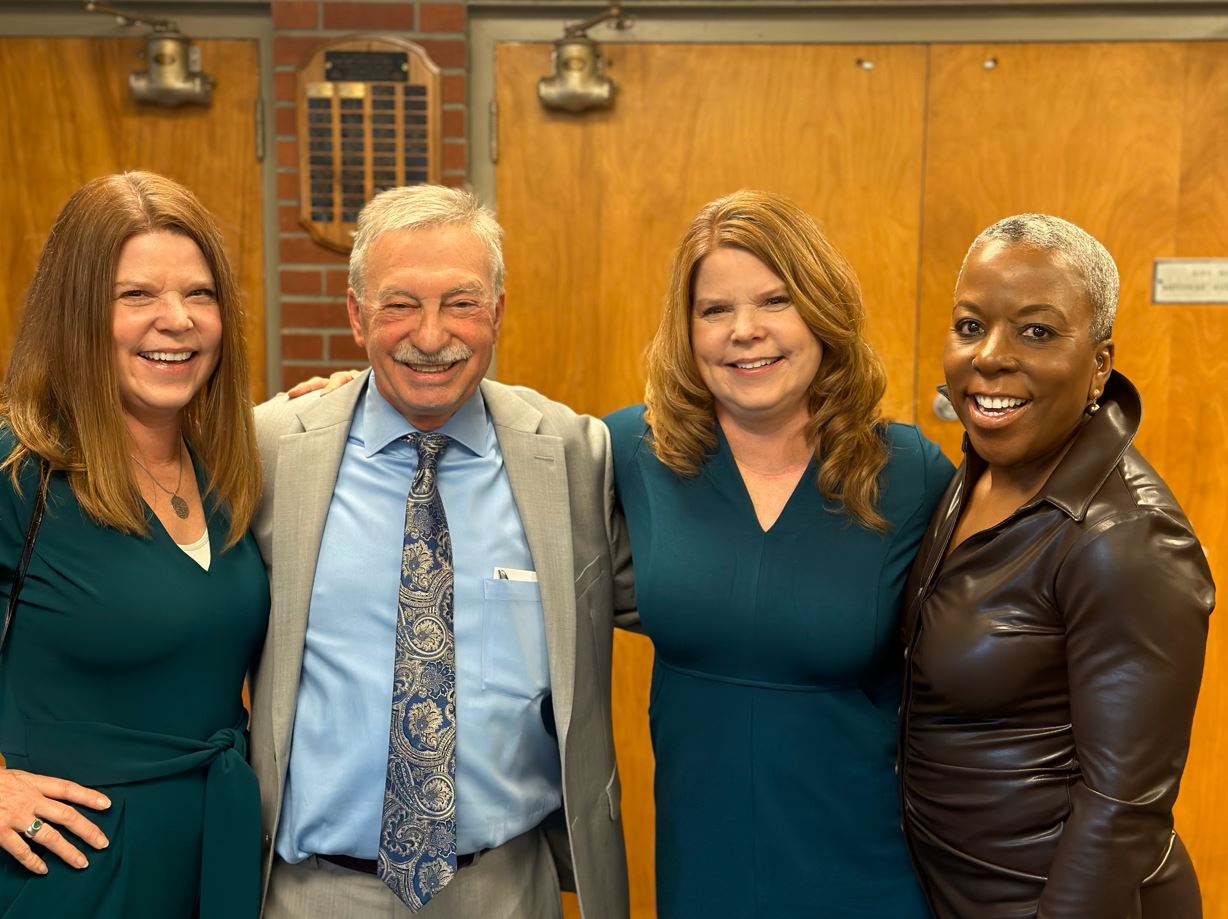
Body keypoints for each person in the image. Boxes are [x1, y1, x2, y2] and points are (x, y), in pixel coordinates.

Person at [250, 184, 635, 918]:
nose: (430, 337)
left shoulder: (573, 456)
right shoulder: (269, 452)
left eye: (461, 302)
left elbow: (682, 596)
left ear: (498, 311)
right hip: (314, 893)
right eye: (399, 305)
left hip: (506, 889)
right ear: (356, 315)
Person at [604, 189, 953, 917]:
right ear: (687, 330)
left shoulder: (909, 471)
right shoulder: (629, 450)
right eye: (715, 309)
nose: (745, 331)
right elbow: (497, 474)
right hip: (703, 868)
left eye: (775, 301)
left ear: (823, 312)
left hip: (867, 871)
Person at [899, 214, 1213, 918]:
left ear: (1100, 364)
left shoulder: (1127, 536)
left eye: (1036, 331)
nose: (989, 357)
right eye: (971, 325)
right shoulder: (978, 471)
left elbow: (1122, 809)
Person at [0, 172, 268, 917]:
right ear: (77, 312)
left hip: (210, 863)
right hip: (69, 873)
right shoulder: (18, 473)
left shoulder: (227, 471)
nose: (176, 320)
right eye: (136, 294)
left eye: (200, 294)